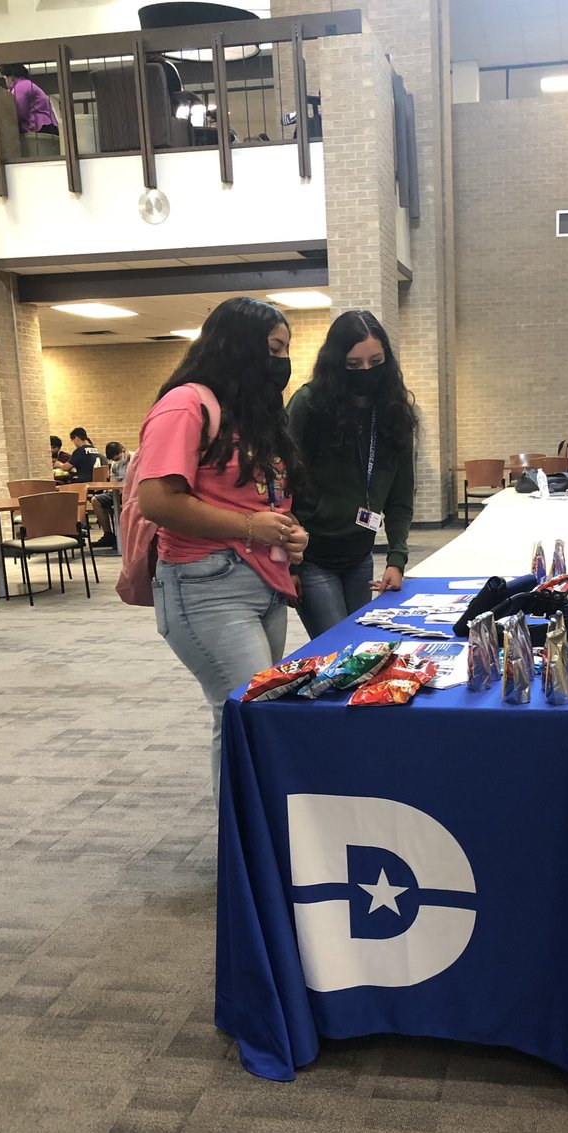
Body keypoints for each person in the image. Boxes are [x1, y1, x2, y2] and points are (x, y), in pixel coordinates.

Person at [137, 297, 308, 798]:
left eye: (286, 349)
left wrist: (289, 530)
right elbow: (158, 500)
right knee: (244, 711)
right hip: (205, 583)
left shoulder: (251, 414)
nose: (282, 360)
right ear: (240, 346)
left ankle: (256, 830)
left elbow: (261, 500)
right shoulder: (186, 404)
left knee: (255, 711)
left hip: (263, 583)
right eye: (274, 348)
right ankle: (242, 847)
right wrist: (253, 527)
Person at [286, 309, 417, 638]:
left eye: (376, 362)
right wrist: (287, 564)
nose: (366, 372)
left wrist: (396, 558)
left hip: (360, 553)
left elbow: (401, 496)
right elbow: (280, 483)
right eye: (354, 365)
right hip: (313, 556)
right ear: (336, 363)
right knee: (337, 649)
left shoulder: (394, 411)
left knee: (361, 644)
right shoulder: (309, 404)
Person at [91, 441, 132, 548]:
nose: (117, 461)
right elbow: (113, 479)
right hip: (118, 492)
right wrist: (111, 486)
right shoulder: (115, 463)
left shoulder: (135, 459)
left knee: (125, 506)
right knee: (96, 500)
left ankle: (125, 537)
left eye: (118, 458)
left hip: (133, 493)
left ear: (123, 451)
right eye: (114, 460)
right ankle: (108, 535)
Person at [0, 64, 59, 136]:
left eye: (5, 77)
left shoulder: (20, 87)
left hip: (41, 128)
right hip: (48, 126)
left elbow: (20, 113)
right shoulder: (27, 84)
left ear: (11, 77)